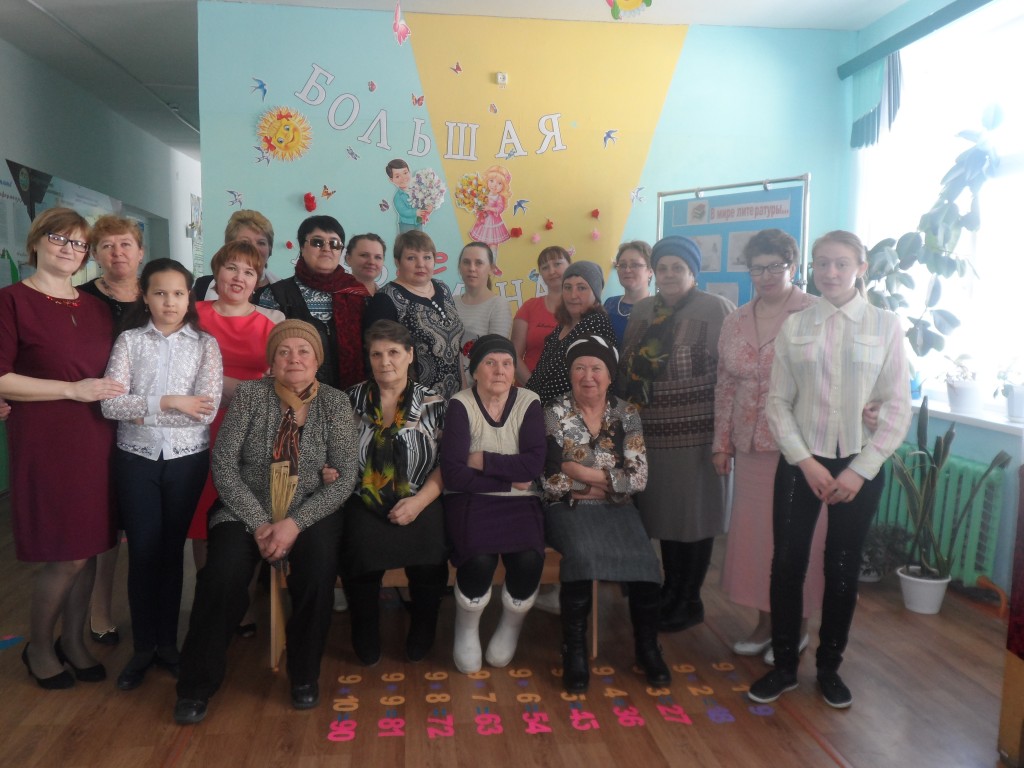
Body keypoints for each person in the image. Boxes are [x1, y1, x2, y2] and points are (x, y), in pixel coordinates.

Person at [748, 230, 910, 709]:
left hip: (859, 463)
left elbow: (896, 406)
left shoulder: (885, 326)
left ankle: (829, 668)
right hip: (802, 461)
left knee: (841, 565)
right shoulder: (796, 326)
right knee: (786, 562)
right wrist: (805, 462)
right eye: (822, 263)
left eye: (841, 263)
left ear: (861, 267)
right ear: (812, 268)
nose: (831, 272)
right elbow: (778, 402)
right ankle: (783, 666)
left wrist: (860, 471)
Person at [174, 321, 358, 724]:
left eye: (304, 351)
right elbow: (224, 464)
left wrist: (294, 523)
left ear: (318, 360)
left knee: (318, 571)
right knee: (221, 577)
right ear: (271, 361)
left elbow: (345, 477)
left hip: (309, 510)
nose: (294, 359)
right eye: (284, 351)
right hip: (246, 509)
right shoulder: (250, 396)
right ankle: (195, 685)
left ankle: (304, 675)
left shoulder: (335, 402)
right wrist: (260, 523)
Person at [0, 207, 125, 688]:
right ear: (36, 241)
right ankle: (38, 646)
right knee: (66, 552)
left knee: (90, 546)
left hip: (96, 437)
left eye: (78, 243)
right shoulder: (12, 301)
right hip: (46, 437)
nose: (69, 249)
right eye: (59, 238)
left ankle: (73, 641)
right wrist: (71, 390)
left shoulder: (94, 307)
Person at [101, 259, 222, 691]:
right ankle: (142, 648)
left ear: (189, 297)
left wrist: (144, 408)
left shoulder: (205, 345)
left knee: (171, 553)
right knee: (142, 552)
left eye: (178, 293)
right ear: (145, 296)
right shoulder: (130, 341)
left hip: (187, 459)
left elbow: (205, 409)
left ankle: (168, 645)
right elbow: (111, 405)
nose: (169, 302)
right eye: (159, 293)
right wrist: (170, 402)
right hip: (136, 458)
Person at [712, 229, 823, 660]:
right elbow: (725, 384)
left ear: (792, 266)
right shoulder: (736, 319)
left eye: (775, 266)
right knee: (759, 541)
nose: (766, 276)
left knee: (797, 541)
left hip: (802, 449)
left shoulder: (815, 314)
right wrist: (721, 443)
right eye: (757, 268)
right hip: (752, 449)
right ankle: (765, 624)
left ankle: (795, 628)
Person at [619, 235, 734, 633]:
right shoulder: (643, 310)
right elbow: (629, 369)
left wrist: (725, 438)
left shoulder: (716, 309)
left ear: (693, 272)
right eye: (663, 267)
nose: (669, 275)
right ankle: (670, 590)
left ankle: (690, 599)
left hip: (697, 437)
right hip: (651, 437)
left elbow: (730, 376)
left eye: (678, 268)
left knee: (694, 519)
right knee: (666, 518)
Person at [542, 335, 669, 693]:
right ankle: (574, 651)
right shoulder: (552, 412)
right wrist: (612, 483)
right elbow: (550, 480)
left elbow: (639, 478)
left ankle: (648, 647)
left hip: (617, 510)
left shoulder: (627, 414)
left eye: (596, 368)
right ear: (570, 373)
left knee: (645, 561)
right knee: (581, 558)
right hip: (567, 508)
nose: (588, 376)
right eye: (579, 368)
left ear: (610, 375)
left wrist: (581, 474)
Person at [339, 320, 448, 665]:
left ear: (409, 355)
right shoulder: (350, 400)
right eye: (376, 354)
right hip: (363, 497)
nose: (385, 361)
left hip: (421, 496)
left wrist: (419, 502)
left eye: (393, 353)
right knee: (359, 556)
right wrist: (332, 470)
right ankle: (364, 630)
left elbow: (448, 463)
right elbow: (335, 454)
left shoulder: (434, 402)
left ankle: (423, 628)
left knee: (430, 561)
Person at [190, 240, 283, 633]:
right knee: (201, 520)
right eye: (231, 268)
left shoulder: (271, 323)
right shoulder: (192, 314)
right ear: (216, 272)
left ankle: (240, 603)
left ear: (257, 280)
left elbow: (280, 384)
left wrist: (223, 388)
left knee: (248, 515)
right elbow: (181, 373)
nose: (239, 277)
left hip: (251, 433)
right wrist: (240, 388)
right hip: (196, 428)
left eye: (249, 271)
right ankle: (209, 599)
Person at [441, 335, 545, 673]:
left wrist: (482, 459)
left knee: (529, 559)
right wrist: (506, 479)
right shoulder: (460, 404)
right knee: (479, 560)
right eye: (490, 363)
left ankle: (510, 626)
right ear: (475, 371)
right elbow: (454, 475)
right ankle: (466, 627)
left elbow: (532, 466)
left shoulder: (529, 401)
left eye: (507, 363)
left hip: (521, 501)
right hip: (469, 499)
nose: (500, 370)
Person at [79, 214, 145, 647]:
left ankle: (149, 615)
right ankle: (98, 611)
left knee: (139, 519)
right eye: (107, 245)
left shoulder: (158, 293)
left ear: (140, 251)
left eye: (125, 244)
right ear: (95, 254)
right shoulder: (81, 299)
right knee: (103, 520)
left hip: (151, 421)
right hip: (94, 420)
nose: (117, 253)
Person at [259, 215, 369, 390]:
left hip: (354, 395)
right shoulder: (276, 295)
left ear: (341, 251)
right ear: (302, 247)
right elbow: (264, 353)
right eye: (317, 242)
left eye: (334, 244)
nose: (326, 249)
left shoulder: (358, 295)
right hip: (293, 395)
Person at [364, 231, 464, 400]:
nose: (421, 264)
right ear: (397, 262)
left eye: (427, 257)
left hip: (454, 397)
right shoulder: (385, 299)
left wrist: (464, 388)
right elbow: (379, 359)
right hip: (412, 402)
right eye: (411, 258)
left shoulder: (443, 288)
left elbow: (455, 345)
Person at [527, 260, 615, 404]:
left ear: (596, 294)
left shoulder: (596, 324)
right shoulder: (563, 325)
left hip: (570, 413)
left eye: (581, 288)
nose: (573, 295)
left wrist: (536, 406)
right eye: (567, 287)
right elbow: (539, 373)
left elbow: (567, 382)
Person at [454, 242, 512, 387]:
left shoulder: (498, 305)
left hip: (480, 390)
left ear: (491, 269)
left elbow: (496, 356)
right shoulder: (450, 303)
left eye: (479, 263)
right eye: (466, 262)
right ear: (460, 267)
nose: (472, 268)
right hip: (449, 387)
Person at [511, 246, 571, 385]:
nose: (552, 271)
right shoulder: (529, 307)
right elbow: (514, 355)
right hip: (527, 389)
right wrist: (534, 388)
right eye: (545, 267)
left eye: (557, 264)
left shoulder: (581, 309)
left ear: (570, 266)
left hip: (568, 392)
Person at [193, 209, 280, 304]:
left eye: (261, 243)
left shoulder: (285, 291)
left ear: (270, 249)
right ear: (230, 247)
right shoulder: (203, 286)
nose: (254, 249)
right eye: (245, 243)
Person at [603, 241, 653, 350]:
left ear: (650, 270)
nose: (627, 270)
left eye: (635, 265)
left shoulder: (658, 309)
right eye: (622, 265)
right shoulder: (609, 303)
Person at [468, 165, 512, 269]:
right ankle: (481, 264)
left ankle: (493, 264)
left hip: (494, 223)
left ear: (503, 186)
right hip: (483, 222)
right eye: (491, 181)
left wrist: (489, 208)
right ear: (487, 181)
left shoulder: (499, 197)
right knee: (481, 245)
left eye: (499, 183)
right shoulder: (483, 194)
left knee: (493, 245)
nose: (494, 185)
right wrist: (478, 208)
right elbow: (479, 206)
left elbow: (500, 208)